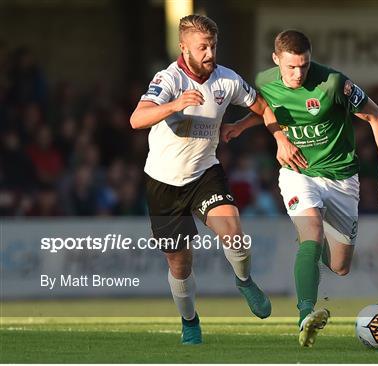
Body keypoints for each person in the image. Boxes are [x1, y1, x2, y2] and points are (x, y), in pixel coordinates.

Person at [222, 30, 378, 347]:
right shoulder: (266, 81)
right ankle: (305, 314)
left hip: (341, 178)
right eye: (291, 67)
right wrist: (245, 125)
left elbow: (376, 116)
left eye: (304, 66)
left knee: (339, 266)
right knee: (312, 232)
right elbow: (268, 111)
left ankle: (314, 242)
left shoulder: (333, 83)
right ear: (276, 60)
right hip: (298, 174)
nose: (298, 74)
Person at [130, 15, 274, 345]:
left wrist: (244, 127)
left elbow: (265, 109)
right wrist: (174, 104)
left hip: (204, 173)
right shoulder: (168, 79)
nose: (210, 53)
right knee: (180, 264)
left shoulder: (228, 80)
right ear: (184, 48)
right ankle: (190, 321)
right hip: (163, 182)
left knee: (234, 231)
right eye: (202, 47)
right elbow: (137, 118)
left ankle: (244, 279)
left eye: (213, 46)